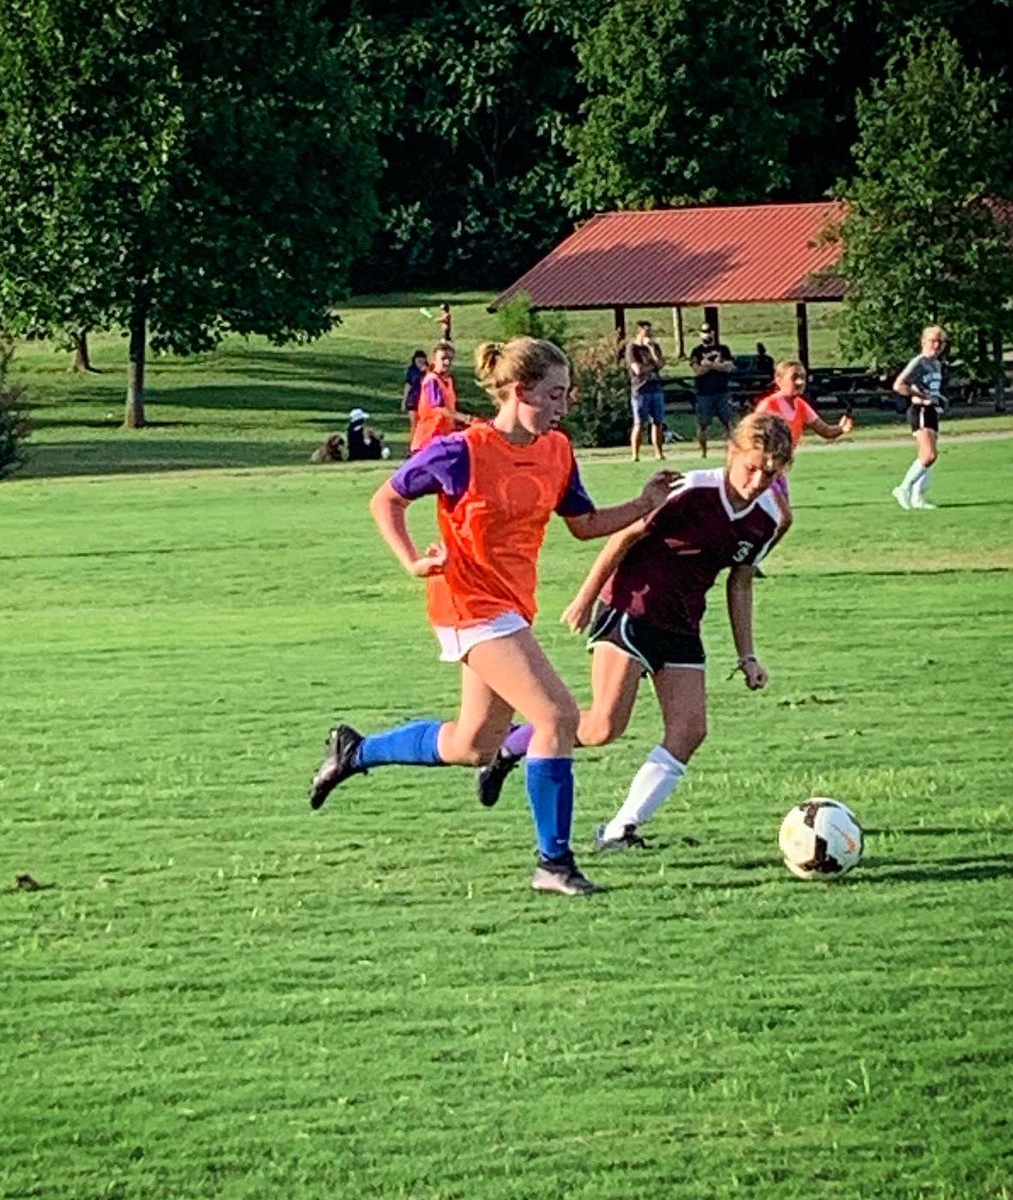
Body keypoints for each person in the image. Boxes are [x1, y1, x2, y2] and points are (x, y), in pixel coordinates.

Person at [307, 336, 678, 896]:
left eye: (566, 394)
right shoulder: (461, 451)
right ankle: (554, 863)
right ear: (519, 390)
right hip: (467, 604)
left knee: (474, 744)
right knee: (555, 716)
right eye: (554, 394)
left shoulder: (556, 451)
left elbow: (582, 523)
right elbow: (386, 499)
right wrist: (411, 561)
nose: (563, 405)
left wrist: (642, 505)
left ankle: (356, 752)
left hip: (510, 607)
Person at [475, 412, 795, 855]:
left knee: (690, 730)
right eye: (751, 466)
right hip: (630, 608)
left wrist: (748, 655)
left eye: (771, 472)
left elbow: (740, 580)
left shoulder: (771, 518)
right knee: (604, 727)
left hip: (683, 623)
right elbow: (622, 538)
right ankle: (512, 745)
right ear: (731, 453)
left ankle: (620, 829)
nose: (759, 479)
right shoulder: (688, 491)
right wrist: (585, 599)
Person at [753, 360, 853, 546]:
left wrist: (841, 429)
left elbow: (824, 431)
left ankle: (752, 557)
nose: (800, 382)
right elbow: (751, 435)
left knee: (780, 522)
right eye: (794, 377)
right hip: (762, 471)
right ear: (779, 380)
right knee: (782, 519)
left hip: (779, 471)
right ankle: (750, 558)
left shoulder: (800, 405)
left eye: (803, 378)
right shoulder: (769, 406)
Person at [891, 325, 948, 510]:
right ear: (924, 342)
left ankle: (917, 497)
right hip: (920, 410)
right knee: (929, 454)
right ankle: (903, 488)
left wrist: (939, 399)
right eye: (933, 340)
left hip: (931, 411)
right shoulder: (919, 362)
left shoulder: (937, 364)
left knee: (929, 457)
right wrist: (924, 398)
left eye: (940, 341)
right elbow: (899, 385)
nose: (937, 345)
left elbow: (932, 389)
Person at [410, 341, 468, 453]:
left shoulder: (448, 381)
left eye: (450, 359)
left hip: (442, 440)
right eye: (443, 358)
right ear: (434, 360)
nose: (447, 362)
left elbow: (451, 408)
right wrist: (465, 418)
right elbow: (438, 407)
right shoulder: (432, 380)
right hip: (428, 441)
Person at [689, 322, 735, 457]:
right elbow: (697, 371)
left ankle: (732, 450)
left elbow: (729, 367)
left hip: (722, 391)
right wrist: (717, 365)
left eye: (709, 331)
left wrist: (710, 365)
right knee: (703, 424)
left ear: (713, 333)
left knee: (729, 422)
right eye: (704, 332)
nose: (706, 334)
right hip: (704, 393)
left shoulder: (723, 349)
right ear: (700, 334)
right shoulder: (696, 351)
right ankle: (703, 452)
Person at [626, 320, 666, 462]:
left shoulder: (654, 347)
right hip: (641, 390)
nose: (649, 335)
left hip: (656, 389)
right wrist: (652, 366)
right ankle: (635, 454)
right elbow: (638, 370)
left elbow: (661, 364)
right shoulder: (632, 349)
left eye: (650, 332)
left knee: (658, 422)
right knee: (639, 423)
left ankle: (658, 453)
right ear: (639, 332)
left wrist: (652, 351)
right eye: (646, 332)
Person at [402, 350, 428, 437]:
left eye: (422, 358)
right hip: (413, 399)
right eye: (418, 358)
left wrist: (426, 371)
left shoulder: (429, 370)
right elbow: (408, 385)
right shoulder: (411, 370)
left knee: (424, 424)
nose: (420, 360)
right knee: (414, 424)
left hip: (425, 400)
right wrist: (404, 401)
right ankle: (414, 444)